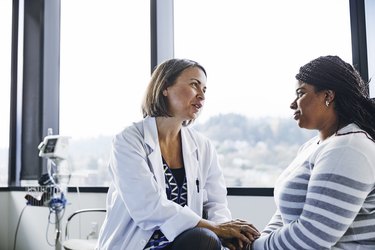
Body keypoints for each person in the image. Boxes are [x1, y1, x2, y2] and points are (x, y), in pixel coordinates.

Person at [96, 58, 260, 250]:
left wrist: (226, 231)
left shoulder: (203, 146)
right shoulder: (129, 141)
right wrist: (215, 228)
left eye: (204, 90)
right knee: (205, 238)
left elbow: (216, 203)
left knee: (215, 239)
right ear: (165, 87)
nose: (202, 96)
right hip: (137, 244)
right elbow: (147, 207)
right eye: (194, 85)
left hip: (182, 242)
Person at [249, 55, 375, 250]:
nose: (293, 103)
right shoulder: (313, 146)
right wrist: (256, 243)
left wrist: (252, 248)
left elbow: (311, 238)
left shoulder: (349, 148)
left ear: (328, 96)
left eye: (300, 93)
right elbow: (283, 215)